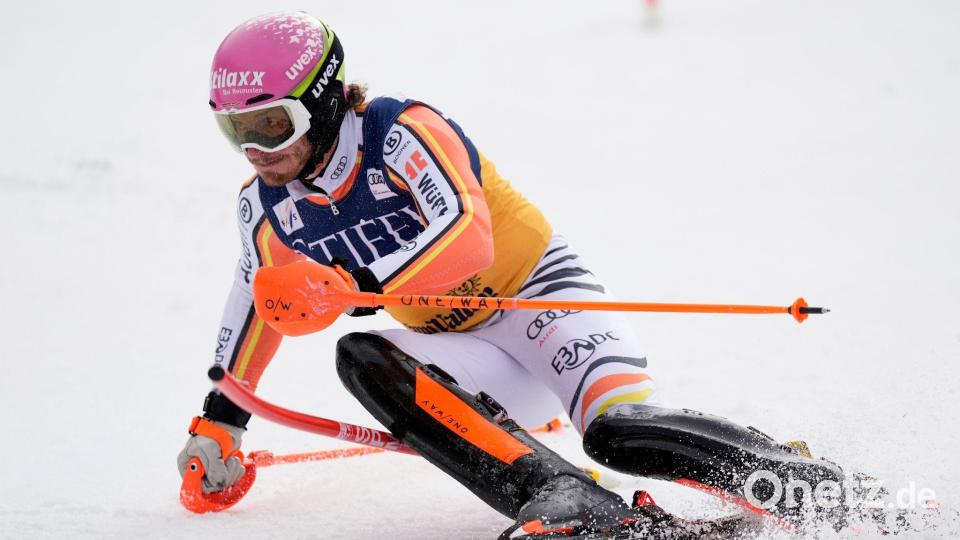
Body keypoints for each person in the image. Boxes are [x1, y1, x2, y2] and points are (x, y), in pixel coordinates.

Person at [178, 12, 846, 538]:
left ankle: (804, 479)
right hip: (464, 355)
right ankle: (563, 496)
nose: (258, 151)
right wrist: (222, 419)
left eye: (272, 125)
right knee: (361, 354)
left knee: (620, 434)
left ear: (321, 101)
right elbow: (256, 291)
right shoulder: (266, 204)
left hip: (541, 304)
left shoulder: (399, 131)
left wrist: (358, 280)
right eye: (236, 132)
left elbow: (469, 239)